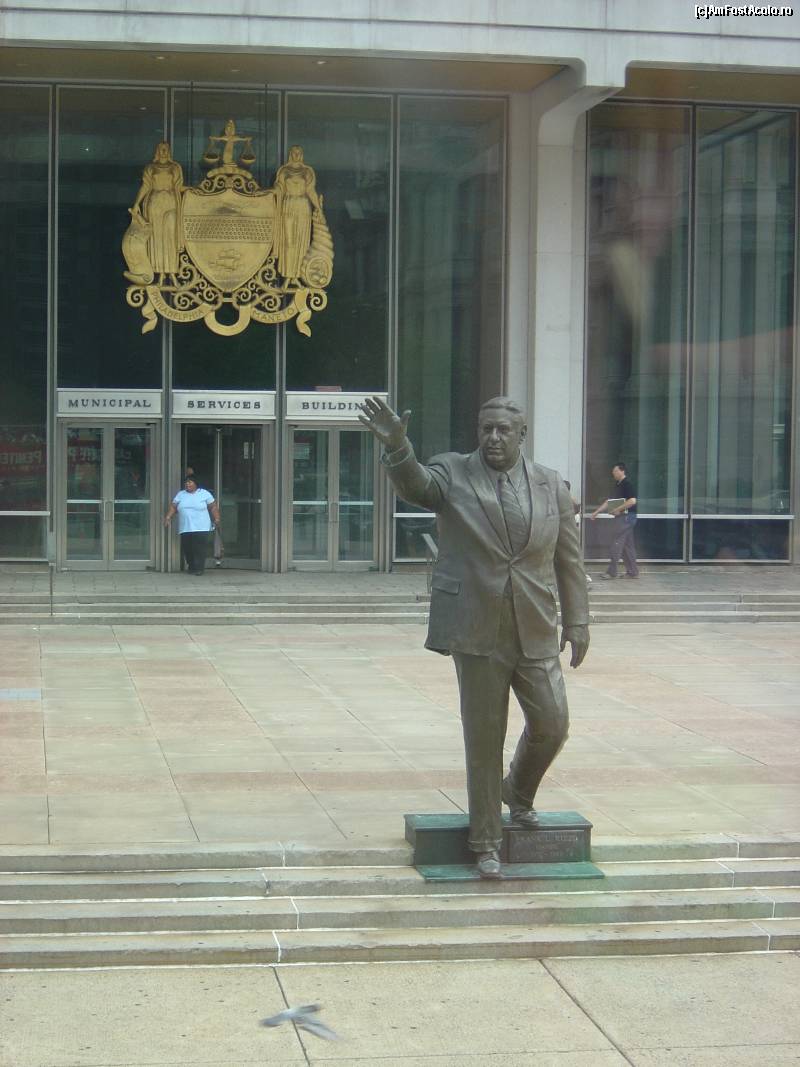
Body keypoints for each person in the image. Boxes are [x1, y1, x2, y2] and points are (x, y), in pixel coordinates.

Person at [359, 395, 590, 880]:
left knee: (553, 723)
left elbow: (568, 559)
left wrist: (578, 620)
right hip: (476, 624)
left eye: (503, 430)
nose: (494, 438)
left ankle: (517, 791)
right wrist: (398, 449)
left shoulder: (551, 484)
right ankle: (485, 840)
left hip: (535, 624)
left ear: (522, 435)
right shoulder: (453, 472)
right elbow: (417, 486)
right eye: (486, 429)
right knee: (484, 737)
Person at [129, 141, 185, 282]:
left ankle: (172, 272)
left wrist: (192, 190)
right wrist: (136, 203)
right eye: (161, 149)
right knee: (157, 238)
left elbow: (179, 187)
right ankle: (160, 275)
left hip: (171, 203)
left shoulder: (175, 167)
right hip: (155, 205)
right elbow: (145, 186)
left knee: (170, 236)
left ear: (169, 151)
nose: (164, 152)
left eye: (166, 149)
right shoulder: (150, 168)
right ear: (157, 151)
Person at [274, 145, 322, 285]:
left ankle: (296, 276)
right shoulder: (284, 171)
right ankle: (288, 276)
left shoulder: (307, 171)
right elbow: (279, 188)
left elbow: (311, 191)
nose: (296, 154)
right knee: (289, 242)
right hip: (288, 205)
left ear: (301, 154)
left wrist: (319, 208)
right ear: (290, 154)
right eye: (294, 152)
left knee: (302, 242)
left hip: (303, 206)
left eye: (298, 152)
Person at [590, 462, 639, 579]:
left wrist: (618, 509)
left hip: (626, 518)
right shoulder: (618, 484)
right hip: (626, 518)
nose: (613, 473)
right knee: (627, 546)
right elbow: (609, 501)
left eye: (615, 471)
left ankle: (612, 572)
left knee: (616, 543)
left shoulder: (627, 484)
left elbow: (632, 501)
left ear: (622, 471)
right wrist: (597, 512)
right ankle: (633, 572)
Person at [163, 475, 220, 576]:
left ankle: (199, 568)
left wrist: (216, 518)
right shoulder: (181, 494)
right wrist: (168, 517)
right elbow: (173, 506)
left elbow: (213, 507)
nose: (187, 484)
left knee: (199, 548)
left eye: (190, 482)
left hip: (201, 526)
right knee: (188, 548)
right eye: (186, 482)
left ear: (196, 484)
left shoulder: (204, 493)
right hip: (186, 527)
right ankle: (192, 566)